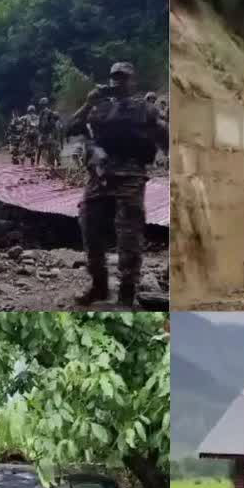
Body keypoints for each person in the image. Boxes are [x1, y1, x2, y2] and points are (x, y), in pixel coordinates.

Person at [67, 61, 168, 307]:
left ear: (133, 82)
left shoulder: (146, 110)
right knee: (89, 225)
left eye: (123, 78)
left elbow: (165, 137)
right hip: (100, 176)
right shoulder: (99, 108)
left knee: (129, 234)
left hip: (131, 176)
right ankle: (99, 286)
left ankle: (126, 291)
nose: (118, 82)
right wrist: (88, 102)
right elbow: (70, 128)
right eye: (114, 78)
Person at [37, 97, 62, 168]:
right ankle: (48, 164)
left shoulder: (48, 113)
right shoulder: (43, 113)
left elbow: (52, 124)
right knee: (45, 149)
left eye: (42, 104)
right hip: (45, 134)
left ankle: (50, 165)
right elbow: (40, 124)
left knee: (48, 149)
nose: (42, 106)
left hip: (47, 134)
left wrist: (51, 133)